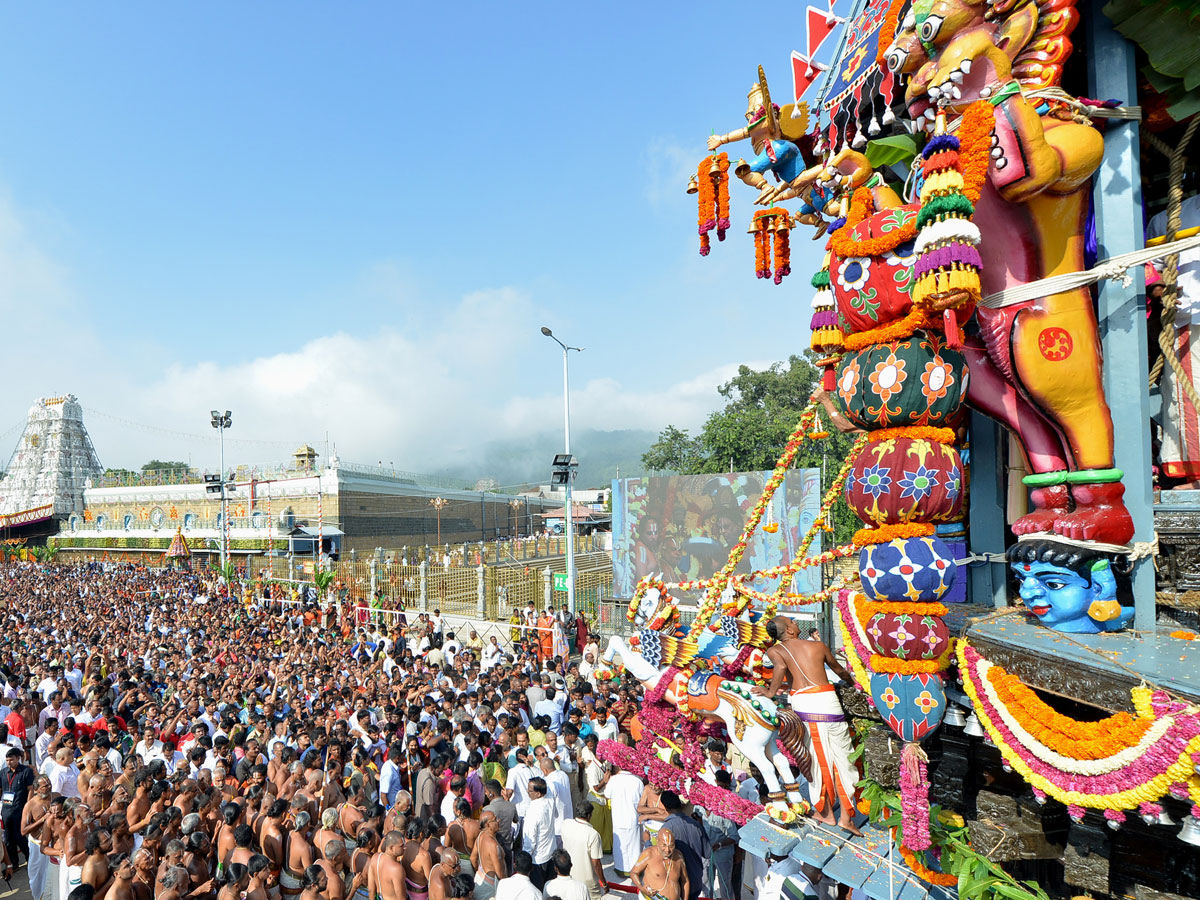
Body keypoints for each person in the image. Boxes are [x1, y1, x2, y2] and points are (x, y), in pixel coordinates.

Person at [753, 615, 860, 834]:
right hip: (829, 702)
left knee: (815, 760)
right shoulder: (818, 646)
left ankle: (826, 813)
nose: (795, 623)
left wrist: (771, 692)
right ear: (789, 631)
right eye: (791, 622)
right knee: (843, 759)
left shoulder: (776, 651)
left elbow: (781, 668)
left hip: (805, 705)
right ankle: (847, 818)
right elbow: (839, 671)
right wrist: (856, 686)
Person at [697, 772, 739, 900]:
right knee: (705, 883)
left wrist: (719, 845)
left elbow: (734, 836)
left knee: (725, 884)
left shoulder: (723, 811)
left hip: (723, 854)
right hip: (705, 854)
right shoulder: (698, 809)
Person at [658, 792, 708, 900]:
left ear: (664, 808)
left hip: (678, 885)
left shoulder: (666, 828)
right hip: (696, 881)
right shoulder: (696, 825)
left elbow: (659, 857)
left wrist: (647, 842)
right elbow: (707, 853)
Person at [601, 760, 643, 877]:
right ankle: (635, 870)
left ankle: (620, 868)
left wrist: (606, 781)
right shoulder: (637, 781)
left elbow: (607, 795)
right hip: (632, 817)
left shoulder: (614, 780)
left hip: (618, 817)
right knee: (634, 846)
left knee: (621, 845)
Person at [558, 801, 605, 900]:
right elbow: (596, 863)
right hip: (588, 882)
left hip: (569, 876)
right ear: (589, 816)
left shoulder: (566, 824)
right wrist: (604, 883)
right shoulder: (593, 834)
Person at [629, 827, 687, 900]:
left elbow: (685, 881)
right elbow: (633, 873)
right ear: (657, 841)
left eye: (671, 846)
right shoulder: (648, 853)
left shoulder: (678, 856)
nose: (667, 850)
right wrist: (642, 888)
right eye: (664, 845)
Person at [1, 747, 35, 867]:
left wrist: (28, 806)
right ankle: (14, 863)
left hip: (19, 809)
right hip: (6, 810)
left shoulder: (26, 771)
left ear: (18, 758)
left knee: (19, 836)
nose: (9, 762)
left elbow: (30, 790)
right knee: (8, 839)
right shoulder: (3, 772)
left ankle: (30, 858)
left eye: (11, 760)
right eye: (7, 760)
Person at [520, 778, 555, 889]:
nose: (527, 792)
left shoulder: (533, 811)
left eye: (530, 791)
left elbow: (530, 840)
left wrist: (524, 861)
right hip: (550, 853)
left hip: (537, 859)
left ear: (538, 794)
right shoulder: (550, 801)